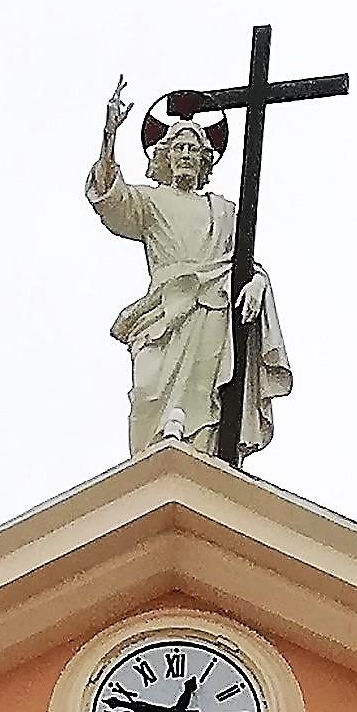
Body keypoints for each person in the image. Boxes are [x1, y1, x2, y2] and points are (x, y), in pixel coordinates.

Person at [86, 79, 291, 458]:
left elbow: (244, 261)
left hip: (211, 305)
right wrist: (109, 136)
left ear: (204, 161)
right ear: (164, 156)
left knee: (203, 395)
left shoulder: (224, 211)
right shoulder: (150, 201)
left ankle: (193, 448)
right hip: (163, 309)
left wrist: (258, 282)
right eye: (178, 147)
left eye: (193, 149)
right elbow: (109, 197)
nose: (185, 154)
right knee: (148, 390)